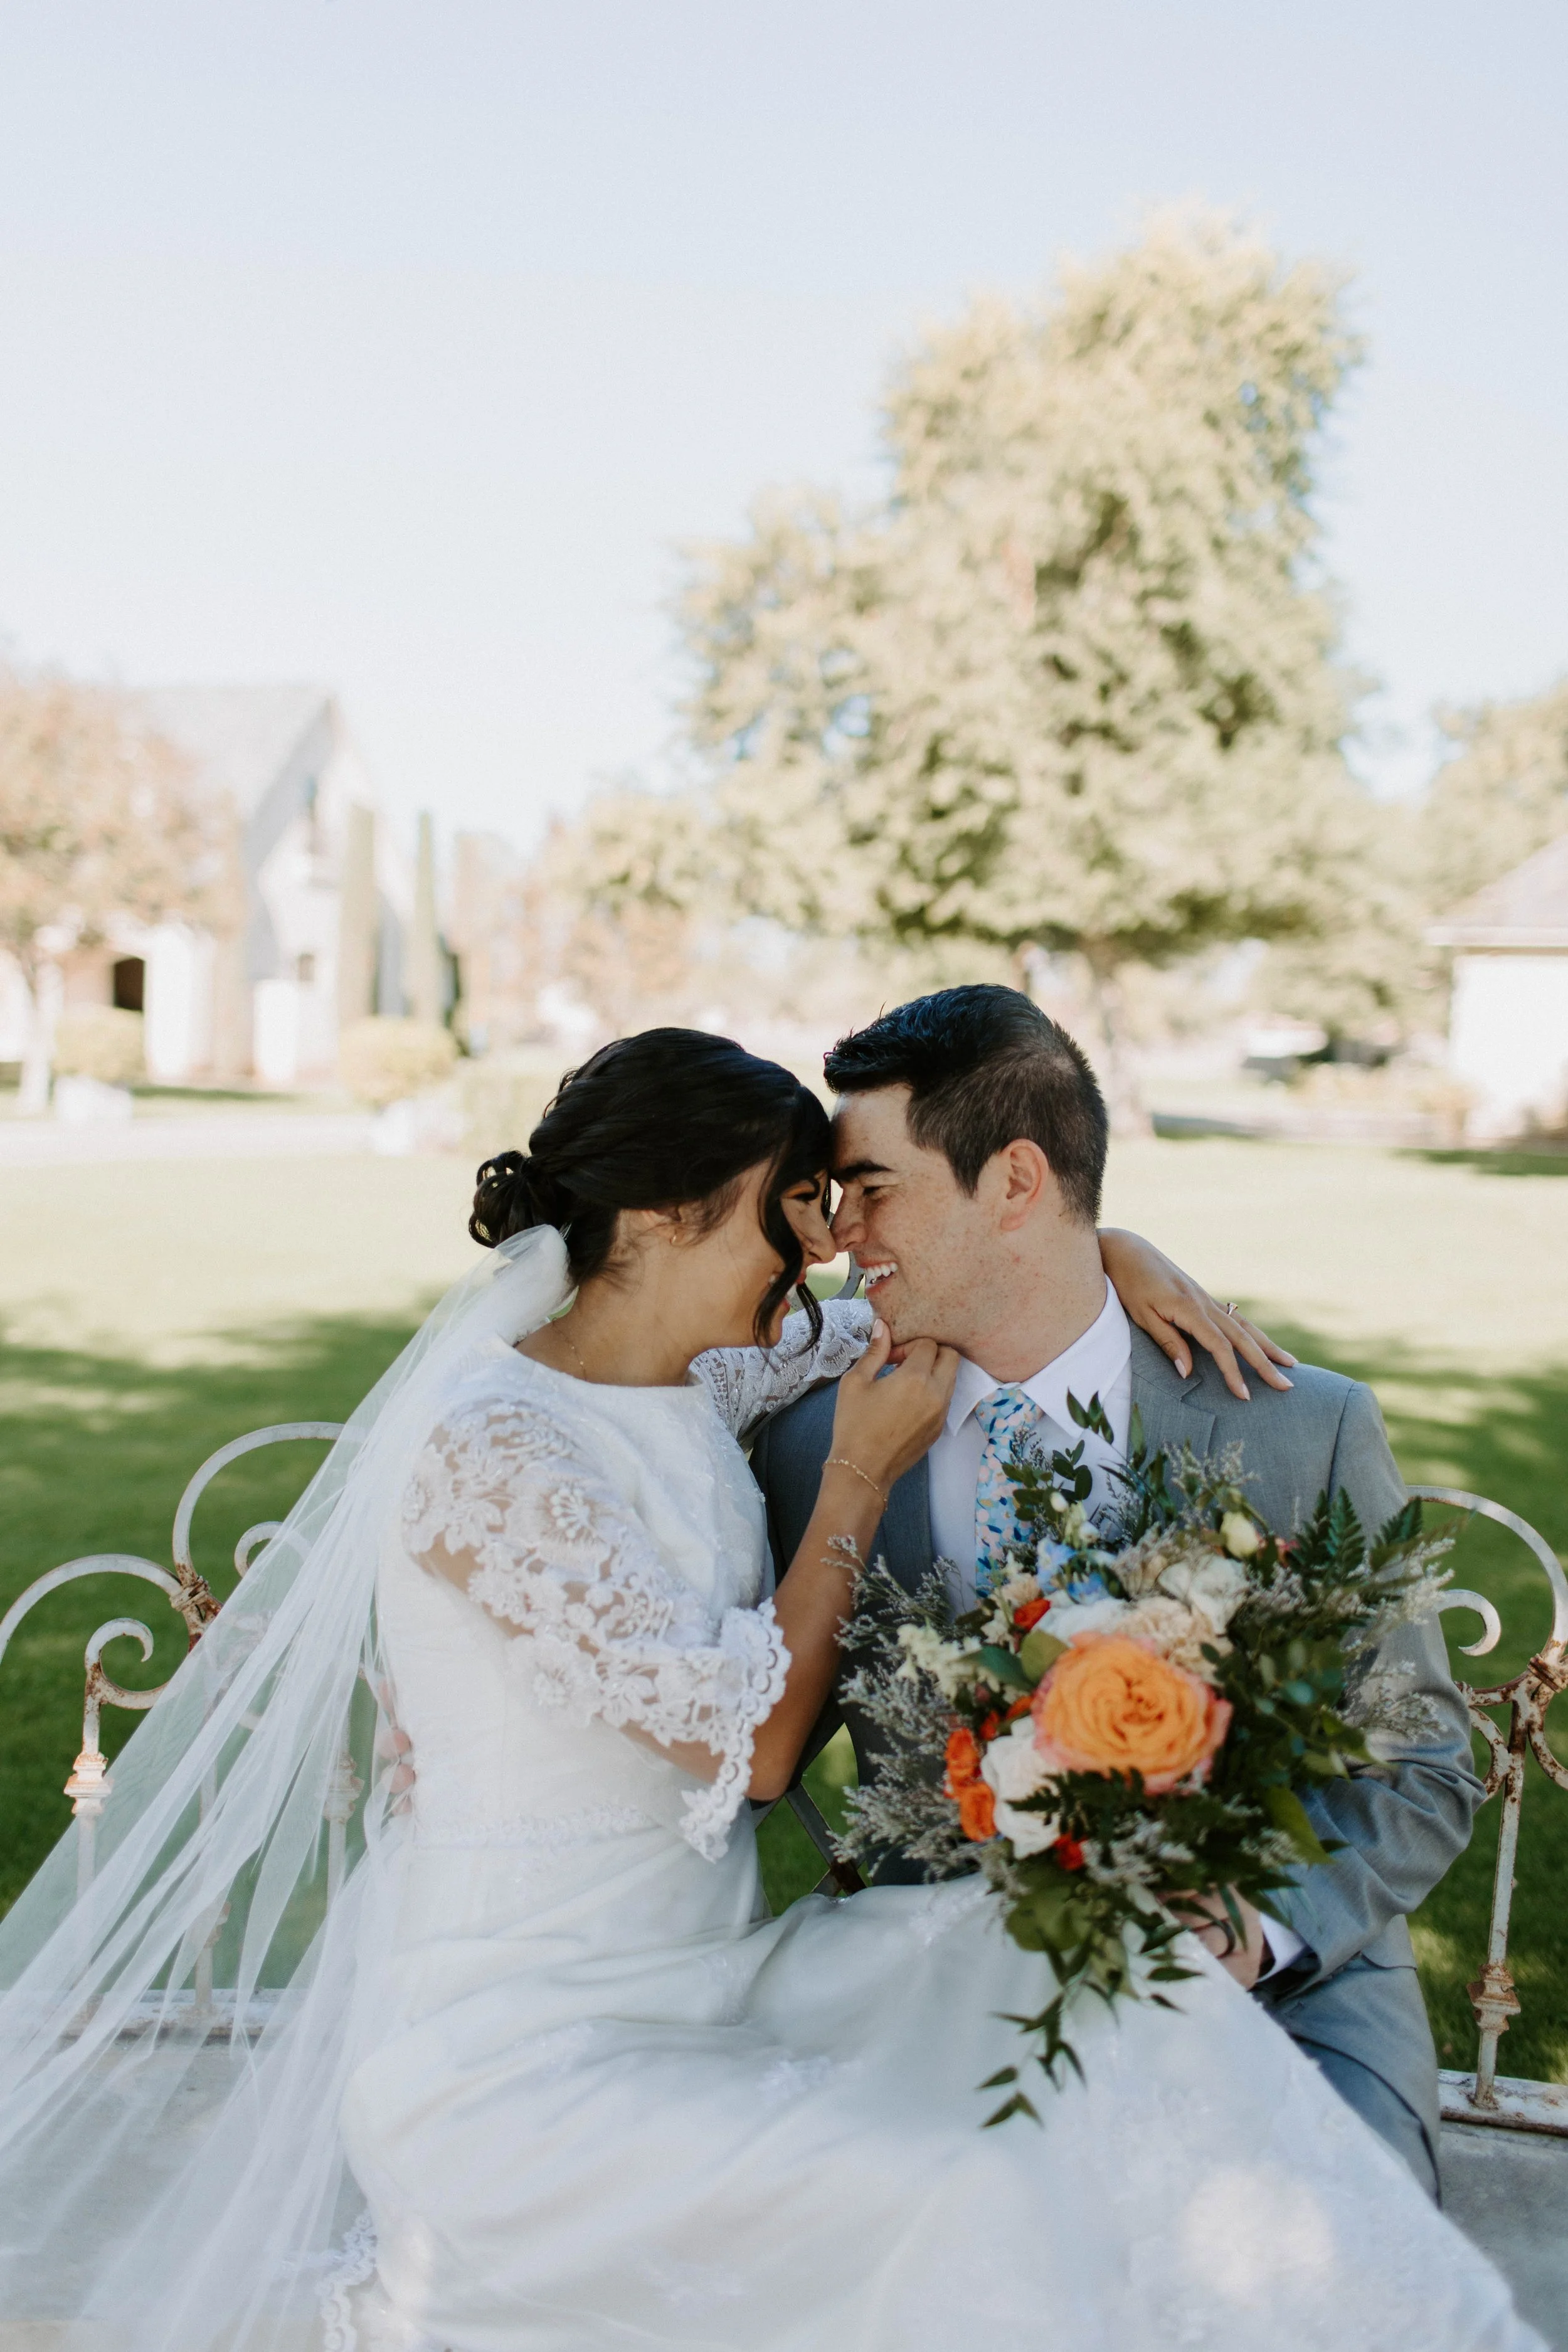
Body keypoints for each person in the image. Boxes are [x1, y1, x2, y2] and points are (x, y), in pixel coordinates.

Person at [0, 1027, 1535, 2352]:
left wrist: (1100, 1248)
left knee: (1036, 1997)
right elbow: (750, 1753)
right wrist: (859, 1477)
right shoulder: (493, 1449)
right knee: (969, 2176)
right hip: (525, 2033)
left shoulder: (707, 1380)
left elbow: (968, 1288)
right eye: (790, 1219)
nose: (819, 1262)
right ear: (666, 1215)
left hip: (706, 1973)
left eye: (836, 1212)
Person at [751, 983, 1483, 2199]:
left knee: (1311, 2242)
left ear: (1016, 1182)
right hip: (942, 1988)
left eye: (872, 1189)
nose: (840, 1236)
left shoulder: (1298, 1428)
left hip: (1284, 1999)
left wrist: (1256, 1928)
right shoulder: (808, 1436)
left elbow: (1416, 1766)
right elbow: (731, 1713)